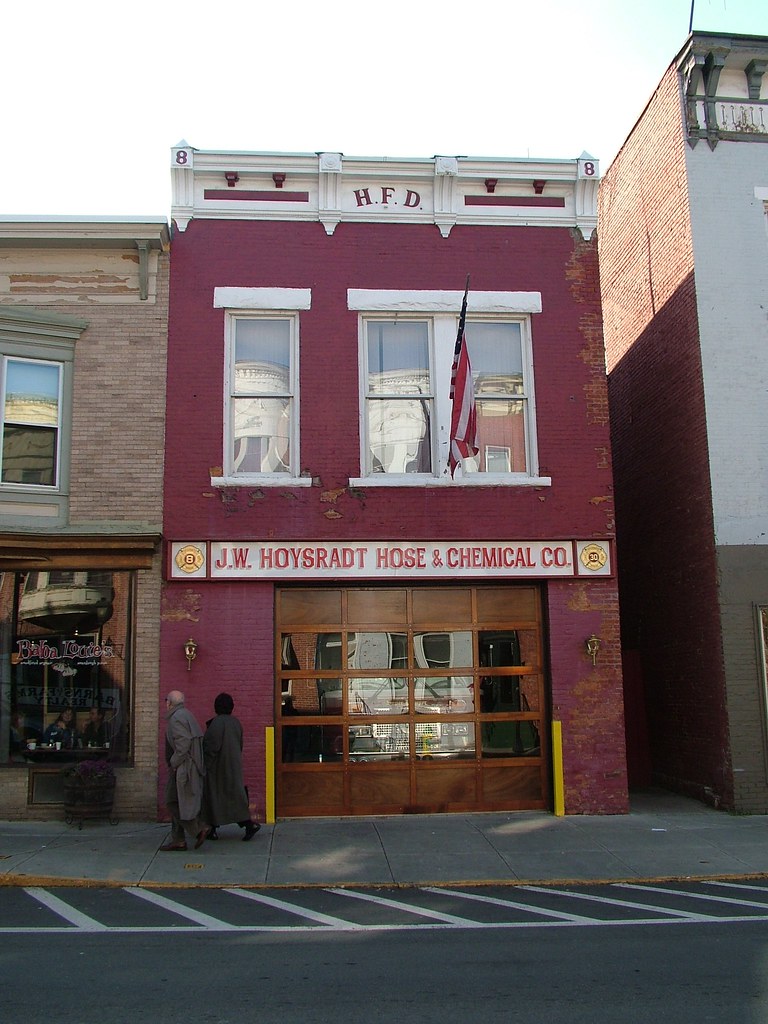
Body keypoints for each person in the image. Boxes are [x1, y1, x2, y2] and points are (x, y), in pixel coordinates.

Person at [202, 692, 259, 841]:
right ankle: (248, 824)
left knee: (213, 798)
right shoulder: (236, 723)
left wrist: (205, 764)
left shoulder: (216, 724)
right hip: (234, 766)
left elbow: (211, 747)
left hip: (218, 769)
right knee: (235, 798)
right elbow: (239, 744)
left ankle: (212, 828)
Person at [161, 690, 210, 852]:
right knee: (178, 800)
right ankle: (178, 840)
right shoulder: (186, 715)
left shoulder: (176, 719)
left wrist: (174, 763)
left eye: (166, 701)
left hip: (183, 769)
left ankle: (198, 829)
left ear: (169, 703)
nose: (165, 704)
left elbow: (183, 744)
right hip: (188, 768)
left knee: (171, 800)